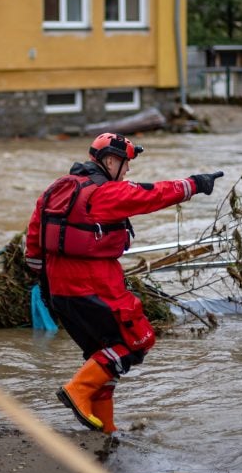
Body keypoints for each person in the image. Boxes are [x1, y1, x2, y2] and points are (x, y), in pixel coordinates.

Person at [25, 132, 223, 434]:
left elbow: (34, 243)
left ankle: (106, 429)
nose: (128, 171)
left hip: (58, 290)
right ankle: (77, 390)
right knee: (138, 340)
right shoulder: (104, 193)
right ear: (110, 161)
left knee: (103, 354)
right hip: (94, 283)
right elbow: (152, 194)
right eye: (126, 164)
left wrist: (44, 281)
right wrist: (195, 184)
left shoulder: (55, 189)